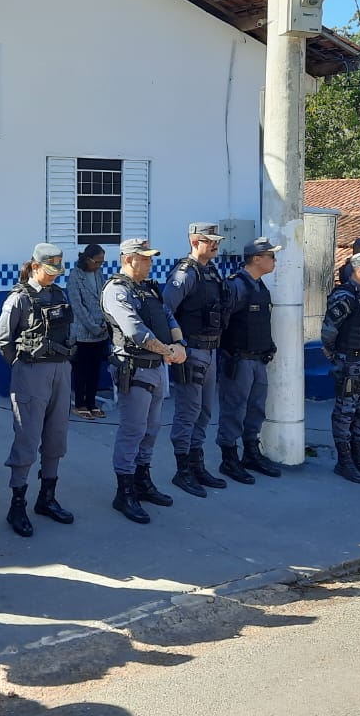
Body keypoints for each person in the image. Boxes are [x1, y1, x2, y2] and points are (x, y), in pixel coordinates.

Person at [0, 243, 76, 536]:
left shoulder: (59, 293)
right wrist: (22, 365)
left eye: (57, 270)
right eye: (49, 270)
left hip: (61, 371)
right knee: (27, 438)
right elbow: (3, 340)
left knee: (56, 436)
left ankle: (47, 498)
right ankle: (17, 505)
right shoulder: (19, 298)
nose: (53, 275)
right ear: (36, 266)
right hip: (31, 373)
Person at [101, 238, 185, 524]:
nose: (150, 263)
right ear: (128, 259)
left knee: (151, 428)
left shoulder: (149, 287)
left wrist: (180, 344)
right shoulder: (116, 290)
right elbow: (135, 331)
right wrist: (169, 352)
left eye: (150, 258)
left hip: (157, 367)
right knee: (133, 430)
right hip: (134, 368)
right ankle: (124, 491)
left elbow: (167, 316)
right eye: (145, 258)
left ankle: (142, 481)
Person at [162, 223, 229, 498]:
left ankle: (197, 464)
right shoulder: (185, 273)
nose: (214, 245)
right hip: (191, 352)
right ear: (194, 241)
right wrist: (176, 345)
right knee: (188, 412)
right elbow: (166, 310)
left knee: (204, 411)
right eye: (208, 240)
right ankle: (183, 470)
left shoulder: (210, 271)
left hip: (210, 350)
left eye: (216, 241)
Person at [216, 236, 284, 484]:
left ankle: (250, 453)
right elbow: (220, 322)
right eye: (271, 256)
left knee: (255, 410)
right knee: (234, 410)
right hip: (239, 360)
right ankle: (229, 458)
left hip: (257, 360)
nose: (274, 260)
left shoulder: (259, 285)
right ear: (257, 259)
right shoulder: (236, 286)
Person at [321, 251, 360, 483]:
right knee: (345, 411)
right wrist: (335, 355)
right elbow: (329, 331)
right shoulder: (344, 297)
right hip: (350, 362)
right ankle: (344, 461)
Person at [67, 244, 109, 419]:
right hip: (84, 332)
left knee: (95, 370)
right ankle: (80, 403)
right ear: (87, 259)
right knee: (81, 370)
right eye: (97, 262)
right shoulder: (75, 276)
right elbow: (78, 307)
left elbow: (104, 297)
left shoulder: (98, 274)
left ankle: (92, 403)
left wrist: (105, 323)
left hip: (102, 330)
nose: (99, 265)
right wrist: (93, 327)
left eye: (101, 262)